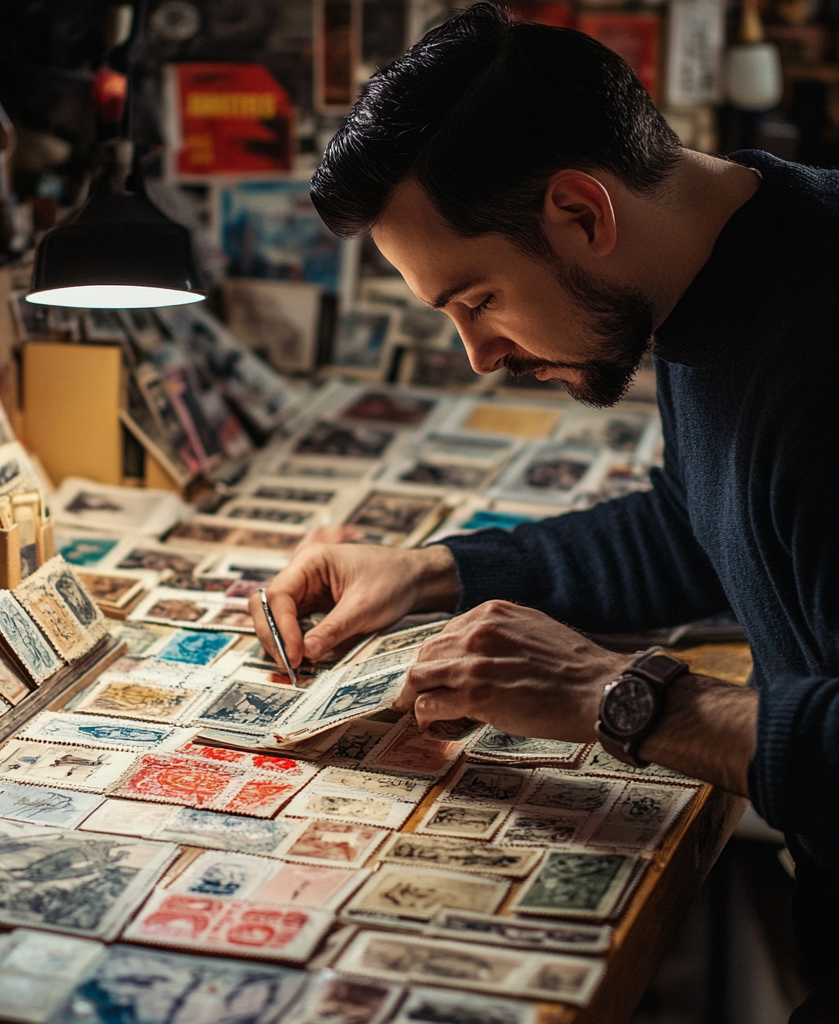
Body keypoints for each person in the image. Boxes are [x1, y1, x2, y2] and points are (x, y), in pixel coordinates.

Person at [251, 5, 838, 1018]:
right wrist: (437, 571)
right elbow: (706, 525)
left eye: (475, 299)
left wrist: (622, 695)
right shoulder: (729, 271)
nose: (479, 355)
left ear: (581, 212)